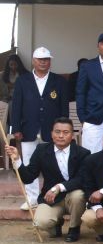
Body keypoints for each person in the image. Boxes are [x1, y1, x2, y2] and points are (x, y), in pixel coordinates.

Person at [6, 117, 90, 242]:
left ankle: (74, 228)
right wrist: (17, 160)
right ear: (51, 134)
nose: (61, 136)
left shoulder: (83, 153)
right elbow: (28, 177)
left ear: (72, 135)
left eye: (65, 132)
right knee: (41, 222)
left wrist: (58, 187)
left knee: (78, 195)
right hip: (52, 199)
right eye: (57, 132)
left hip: (72, 197)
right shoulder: (41, 150)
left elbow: (82, 179)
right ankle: (56, 224)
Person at [10, 47, 69, 211]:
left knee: (56, 163)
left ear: (50, 61)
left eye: (46, 59)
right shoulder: (23, 80)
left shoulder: (59, 81)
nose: (43, 62)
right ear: (33, 61)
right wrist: (16, 128)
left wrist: (64, 129)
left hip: (53, 130)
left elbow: (63, 108)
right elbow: (16, 107)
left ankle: (57, 194)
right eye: (40, 59)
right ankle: (32, 197)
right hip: (28, 129)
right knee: (29, 163)